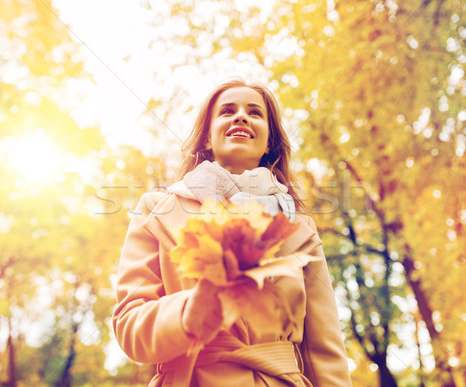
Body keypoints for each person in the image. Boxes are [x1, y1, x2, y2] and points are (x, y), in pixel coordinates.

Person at [112, 79, 352, 386]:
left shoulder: (300, 228)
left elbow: (325, 347)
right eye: (227, 111)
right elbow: (129, 326)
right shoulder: (157, 210)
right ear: (208, 139)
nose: (240, 117)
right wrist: (190, 312)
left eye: (254, 113)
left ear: (268, 143)